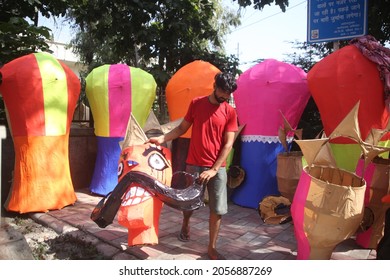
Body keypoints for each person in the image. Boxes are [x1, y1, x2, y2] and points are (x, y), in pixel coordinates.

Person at [147, 72, 238, 260]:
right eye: (223, 91)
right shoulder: (197, 103)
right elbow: (181, 128)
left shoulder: (230, 111)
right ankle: (186, 223)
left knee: (218, 209)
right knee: (189, 203)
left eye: (228, 93)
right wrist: (161, 138)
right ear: (215, 86)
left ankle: (212, 247)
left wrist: (214, 169)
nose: (225, 96)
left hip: (217, 168)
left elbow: (229, 143)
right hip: (194, 163)